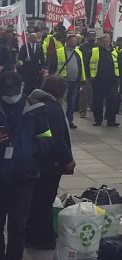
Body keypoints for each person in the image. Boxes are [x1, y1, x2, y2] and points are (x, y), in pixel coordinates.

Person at [0, 71, 51, 260]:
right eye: (6, 90)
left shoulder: (36, 109)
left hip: (24, 178)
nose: (10, 94)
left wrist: (31, 153)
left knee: (18, 229)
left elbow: (46, 139)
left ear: (21, 87)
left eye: (13, 90)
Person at [25, 76, 75, 250]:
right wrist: (68, 159)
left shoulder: (32, 102)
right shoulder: (52, 108)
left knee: (34, 199)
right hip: (49, 162)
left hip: (34, 160)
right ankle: (43, 238)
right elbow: (58, 139)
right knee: (44, 200)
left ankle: (30, 235)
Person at [49, 34, 85, 129]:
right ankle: (58, 120)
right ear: (67, 41)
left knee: (72, 102)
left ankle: (69, 120)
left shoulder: (78, 52)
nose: (75, 42)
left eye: (76, 41)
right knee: (59, 101)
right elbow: (52, 66)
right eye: (73, 41)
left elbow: (81, 67)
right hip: (61, 81)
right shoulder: (59, 52)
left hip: (74, 81)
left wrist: (82, 79)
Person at [89, 33, 121, 127]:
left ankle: (111, 120)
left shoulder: (114, 51)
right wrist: (91, 76)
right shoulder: (95, 51)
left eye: (107, 41)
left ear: (110, 41)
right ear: (100, 42)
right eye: (103, 41)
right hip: (98, 80)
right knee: (97, 101)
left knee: (112, 101)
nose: (105, 43)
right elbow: (88, 62)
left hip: (112, 80)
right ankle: (98, 120)